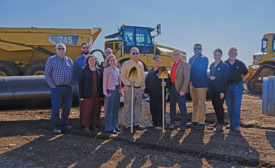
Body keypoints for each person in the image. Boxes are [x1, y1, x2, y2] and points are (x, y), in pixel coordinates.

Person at [44, 43, 74, 134]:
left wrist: (71, 83)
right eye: (59, 48)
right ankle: (55, 126)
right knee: (56, 107)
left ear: (65, 50)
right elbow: (47, 74)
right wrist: (52, 85)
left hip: (68, 88)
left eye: (63, 48)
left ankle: (64, 123)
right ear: (56, 50)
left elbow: (73, 73)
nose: (61, 50)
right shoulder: (51, 60)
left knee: (67, 107)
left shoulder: (69, 60)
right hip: (57, 88)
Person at [121, 47, 145, 130]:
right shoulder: (126, 64)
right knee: (128, 106)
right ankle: (128, 124)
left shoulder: (141, 64)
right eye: (133, 53)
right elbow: (122, 77)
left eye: (137, 53)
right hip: (129, 88)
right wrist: (128, 83)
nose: (135, 55)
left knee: (138, 106)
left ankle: (136, 123)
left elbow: (142, 77)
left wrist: (142, 87)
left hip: (138, 88)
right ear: (130, 54)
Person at [78, 55, 103, 134]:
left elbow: (101, 83)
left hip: (97, 94)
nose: (92, 61)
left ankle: (94, 125)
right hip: (87, 94)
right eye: (90, 60)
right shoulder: (83, 70)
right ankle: (86, 126)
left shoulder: (99, 70)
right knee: (87, 111)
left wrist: (101, 94)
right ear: (87, 61)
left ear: (96, 61)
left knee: (96, 110)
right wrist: (81, 96)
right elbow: (80, 84)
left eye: (93, 60)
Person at [225, 47, 248, 133]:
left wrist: (240, 81)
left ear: (236, 54)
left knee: (236, 107)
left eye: (234, 53)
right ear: (228, 53)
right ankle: (231, 123)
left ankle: (236, 125)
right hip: (227, 87)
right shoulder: (224, 63)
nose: (233, 54)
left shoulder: (240, 63)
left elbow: (246, 74)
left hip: (238, 87)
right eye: (231, 52)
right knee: (229, 107)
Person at [144, 55, 170, 130]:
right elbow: (147, 82)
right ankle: (154, 123)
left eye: (158, 60)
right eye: (155, 60)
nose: (156, 62)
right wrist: (146, 91)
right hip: (152, 94)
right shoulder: (150, 72)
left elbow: (168, 81)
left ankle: (161, 124)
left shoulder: (163, 70)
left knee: (160, 109)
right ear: (153, 62)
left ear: (160, 61)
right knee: (153, 109)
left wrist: (166, 84)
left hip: (160, 94)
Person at [188, 43, 209, 130]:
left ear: (201, 49)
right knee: (195, 104)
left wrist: (193, 81)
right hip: (192, 85)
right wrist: (189, 81)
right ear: (193, 49)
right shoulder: (191, 59)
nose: (197, 49)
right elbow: (189, 71)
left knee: (201, 104)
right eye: (195, 48)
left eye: (198, 48)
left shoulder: (204, 58)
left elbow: (201, 71)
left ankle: (201, 123)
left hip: (201, 84)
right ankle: (194, 121)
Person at [169, 50, 190, 131]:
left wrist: (183, 89)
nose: (176, 56)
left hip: (180, 88)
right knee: (172, 106)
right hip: (172, 88)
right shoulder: (172, 64)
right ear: (172, 56)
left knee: (182, 107)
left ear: (180, 55)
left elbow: (187, 78)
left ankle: (183, 125)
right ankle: (172, 123)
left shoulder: (185, 64)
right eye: (174, 54)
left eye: (177, 54)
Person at [209, 49, 228, 132]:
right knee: (215, 105)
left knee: (219, 107)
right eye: (215, 55)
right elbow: (211, 75)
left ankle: (221, 125)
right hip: (213, 89)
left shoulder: (224, 65)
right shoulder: (212, 65)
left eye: (218, 55)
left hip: (220, 90)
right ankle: (218, 121)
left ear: (221, 56)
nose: (216, 56)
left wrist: (222, 91)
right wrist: (210, 77)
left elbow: (225, 80)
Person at [103, 55, 123, 134]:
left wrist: (121, 90)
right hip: (110, 90)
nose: (112, 62)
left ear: (116, 61)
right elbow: (104, 82)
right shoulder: (106, 70)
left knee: (115, 109)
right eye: (110, 60)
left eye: (113, 60)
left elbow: (119, 81)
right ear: (108, 62)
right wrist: (105, 92)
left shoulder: (118, 69)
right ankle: (109, 127)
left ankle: (115, 126)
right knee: (109, 110)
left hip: (117, 90)